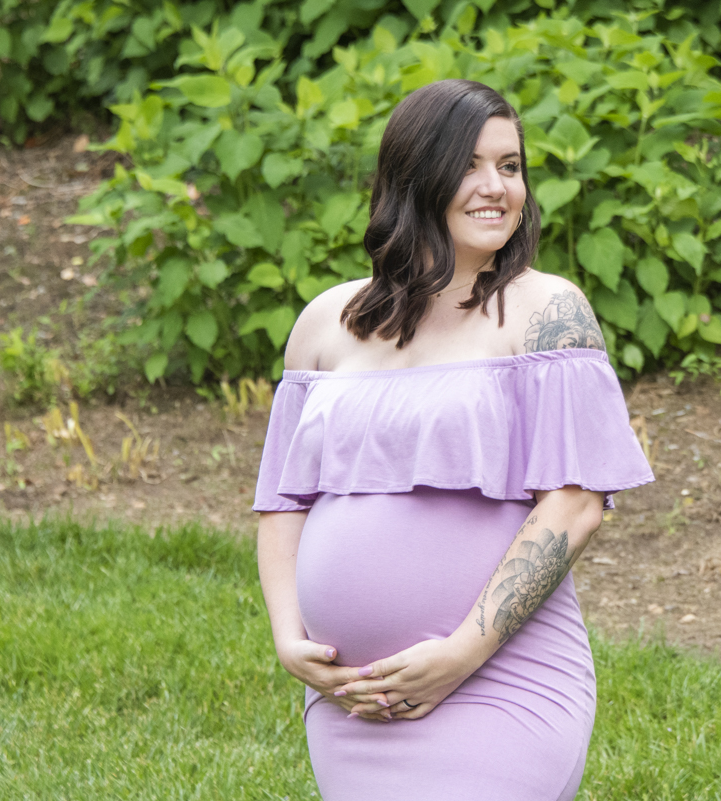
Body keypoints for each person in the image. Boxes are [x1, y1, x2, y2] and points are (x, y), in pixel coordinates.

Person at [252, 78, 656, 800]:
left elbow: (574, 504)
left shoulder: (544, 312)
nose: (496, 185)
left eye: (510, 165)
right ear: (416, 175)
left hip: (499, 681)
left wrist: (458, 655)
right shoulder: (323, 323)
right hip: (353, 700)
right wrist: (290, 638)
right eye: (470, 164)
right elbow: (283, 499)